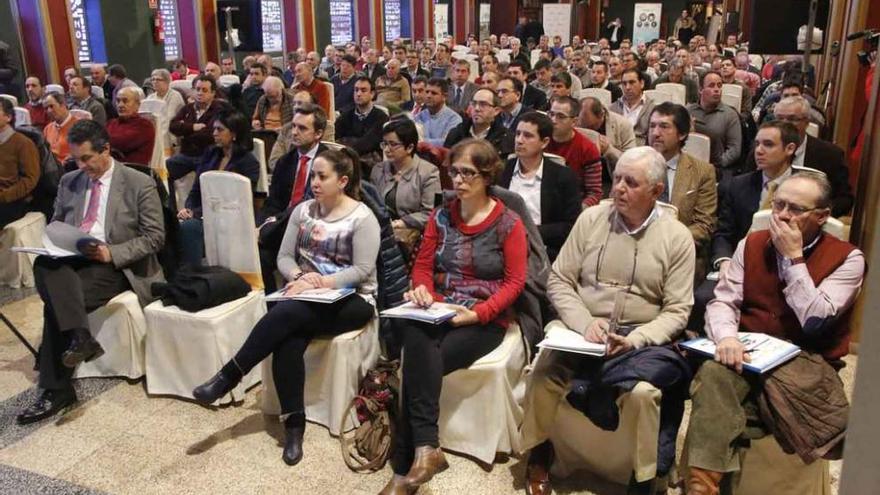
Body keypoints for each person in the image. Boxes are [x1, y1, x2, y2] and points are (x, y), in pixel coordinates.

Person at [521, 146, 696, 495]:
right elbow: (559, 280)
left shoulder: (677, 237)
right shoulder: (592, 219)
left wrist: (637, 339)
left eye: (631, 182)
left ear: (656, 192)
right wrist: (584, 321)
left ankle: (645, 476)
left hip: (638, 340)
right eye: (616, 179)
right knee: (543, 375)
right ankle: (540, 449)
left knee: (645, 394)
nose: (618, 188)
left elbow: (678, 310)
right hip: (582, 330)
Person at [193, 147, 379, 468]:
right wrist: (298, 276)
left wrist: (317, 283)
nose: (315, 182)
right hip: (305, 295)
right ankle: (294, 425)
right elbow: (284, 257)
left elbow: (361, 270)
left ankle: (229, 375)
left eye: (323, 177)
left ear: (343, 181)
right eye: (313, 176)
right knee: (288, 338)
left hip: (352, 299)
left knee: (287, 314)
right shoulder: (303, 210)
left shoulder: (362, 217)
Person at [683, 172, 865, 495]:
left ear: (822, 216)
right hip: (749, 353)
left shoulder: (848, 259)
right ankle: (703, 488)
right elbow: (724, 300)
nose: (781, 215)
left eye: (795, 209)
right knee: (714, 371)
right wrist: (726, 337)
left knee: (717, 399)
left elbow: (814, 318)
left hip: (806, 361)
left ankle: (706, 479)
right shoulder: (751, 243)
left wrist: (794, 258)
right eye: (778, 204)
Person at [380, 139, 528, 495]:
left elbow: (515, 283)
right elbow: (424, 266)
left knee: (417, 362)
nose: (458, 180)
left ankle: (404, 468)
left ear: (487, 176)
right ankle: (426, 450)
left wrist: (477, 314)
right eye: (454, 172)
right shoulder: (441, 215)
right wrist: (421, 291)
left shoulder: (508, 223)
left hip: (483, 317)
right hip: (439, 308)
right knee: (417, 334)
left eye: (468, 174)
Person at [17, 120, 164, 424]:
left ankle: (56, 387)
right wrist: (61, 243)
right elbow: (56, 225)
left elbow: (155, 238)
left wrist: (112, 252)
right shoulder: (70, 181)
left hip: (116, 264)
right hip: (75, 258)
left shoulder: (138, 182)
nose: (81, 166)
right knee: (45, 264)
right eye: (76, 160)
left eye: (87, 158)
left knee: (56, 301)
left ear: (106, 150)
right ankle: (80, 338)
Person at [692, 121, 801, 334]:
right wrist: (723, 261)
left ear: (790, 149)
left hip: (787, 265)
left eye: (768, 144)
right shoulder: (737, 185)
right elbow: (723, 232)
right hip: (739, 264)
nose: (759, 150)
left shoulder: (805, 187)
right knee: (702, 298)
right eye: (757, 144)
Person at [747, 96, 854, 217]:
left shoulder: (830, 155)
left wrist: (814, 215)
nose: (785, 124)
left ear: (807, 122)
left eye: (792, 119)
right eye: (780, 118)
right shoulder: (759, 151)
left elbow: (844, 199)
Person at [177, 111, 259, 266]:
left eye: (220, 130)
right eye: (214, 129)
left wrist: (196, 213)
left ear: (234, 134)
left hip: (230, 217)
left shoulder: (248, 163)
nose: (214, 133)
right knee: (174, 225)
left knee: (190, 227)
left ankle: (190, 277)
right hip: (204, 213)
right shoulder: (211, 154)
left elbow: (235, 201)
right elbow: (196, 190)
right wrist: (188, 209)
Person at [498, 111, 581, 262]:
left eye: (528, 136)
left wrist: (528, 232)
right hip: (501, 248)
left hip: (544, 250)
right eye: (517, 134)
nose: (519, 140)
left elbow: (570, 226)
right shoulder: (501, 171)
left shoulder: (564, 177)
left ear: (544, 142)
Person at [648, 102, 717, 277]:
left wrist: (666, 242)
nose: (655, 133)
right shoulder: (632, 165)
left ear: (682, 134)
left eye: (664, 127)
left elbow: (704, 225)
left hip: (680, 254)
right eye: (652, 126)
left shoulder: (702, 172)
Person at [371, 117, 441, 253]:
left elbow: (431, 214)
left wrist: (401, 223)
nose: (387, 149)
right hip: (380, 230)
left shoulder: (428, 172)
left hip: (412, 235)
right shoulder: (378, 170)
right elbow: (371, 204)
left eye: (393, 144)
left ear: (409, 147)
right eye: (384, 144)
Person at [167, 75, 230, 181]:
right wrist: (192, 127)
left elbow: (209, 135)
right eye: (197, 89)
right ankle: (170, 198)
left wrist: (184, 132)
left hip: (207, 155)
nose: (200, 93)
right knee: (165, 170)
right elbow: (173, 126)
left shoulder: (219, 110)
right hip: (186, 154)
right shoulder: (187, 109)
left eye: (204, 90)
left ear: (213, 93)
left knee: (204, 179)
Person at [545, 96, 603, 207]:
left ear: (574, 121)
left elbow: (594, 193)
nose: (553, 120)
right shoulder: (540, 140)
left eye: (560, 116)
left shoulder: (588, 149)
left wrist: (578, 211)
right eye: (551, 114)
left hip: (572, 205)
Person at [688, 71, 743, 178]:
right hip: (690, 165)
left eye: (719, 85)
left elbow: (735, 149)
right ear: (700, 89)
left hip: (718, 169)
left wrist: (717, 165)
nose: (717, 89)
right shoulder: (689, 111)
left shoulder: (730, 114)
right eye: (711, 86)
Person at [0, 99, 40, 228]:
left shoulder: (23, 143)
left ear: (8, 117)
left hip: (10, 201)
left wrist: (4, 196)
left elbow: (30, 179)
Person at [335, 77, 389, 164]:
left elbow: (367, 144)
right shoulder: (346, 115)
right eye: (356, 90)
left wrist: (347, 141)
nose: (358, 94)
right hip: (345, 160)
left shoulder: (381, 118)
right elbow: (334, 138)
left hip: (370, 165)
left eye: (363, 90)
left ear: (372, 94)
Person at [444, 88, 512, 156]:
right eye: (474, 103)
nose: (476, 108)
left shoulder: (504, 138)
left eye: (483, 104)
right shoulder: (457, 133)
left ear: (496, 111)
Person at [578, 96, 636, 172]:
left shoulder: (623, 125)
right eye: (584, 128)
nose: (588, 131)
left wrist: (609, 150)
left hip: (610, 175)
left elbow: (631, 162)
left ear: (602, 115)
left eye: (591, 127)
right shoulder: (574, 123)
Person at [106, 87, 155, 166]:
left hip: (133, 172)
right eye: (118, 101)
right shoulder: (111, 123)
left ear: (137, 105)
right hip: (110, 168)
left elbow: (120, 143)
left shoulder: (145, 125)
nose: (120, 105)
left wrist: (102, 141)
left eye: (125, 101)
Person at [610, 69, 655, 146]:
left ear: (642, 84)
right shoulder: (613, 108)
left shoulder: (653, 108)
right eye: (624, 83)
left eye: (632, 82)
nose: (627, 87)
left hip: (642, 152)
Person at [413, 78, 463, 147]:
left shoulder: (454, 119)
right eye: (427, 92)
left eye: (434, 93)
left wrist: (422, 141)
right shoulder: (419, 116)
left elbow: (446, 143)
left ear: (444, 97)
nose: (428, 96)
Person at [145, 69, 186, 152]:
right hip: (155, 131)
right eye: (153, 79)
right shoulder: (150, 98)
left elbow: (170, 118)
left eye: (158, 79)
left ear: (167, 81)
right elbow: (146, 118)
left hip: (170, 133)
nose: (155, 82)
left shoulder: (175, 96)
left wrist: (158, 138)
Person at [43, 92, 81, 163]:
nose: (49, 111)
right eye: (46, 108)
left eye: (51, 106)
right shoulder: (47, 129)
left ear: (63, 105)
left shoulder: (79, 125)